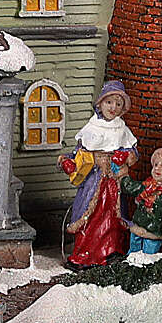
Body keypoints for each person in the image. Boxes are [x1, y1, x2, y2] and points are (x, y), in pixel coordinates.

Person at [58, 81, 137, 267]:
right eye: (109, 102)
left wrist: (125, 155)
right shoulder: (91, 128)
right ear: (100, 104)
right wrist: (68, 162)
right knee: (90, 215)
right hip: (94, 179)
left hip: (114, 182)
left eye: (118, 104)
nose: (113, 107)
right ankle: (85, 253)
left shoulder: (122, 129)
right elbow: (78, 152)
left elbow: (133, 152)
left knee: (113, 217)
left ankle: (111, 251)